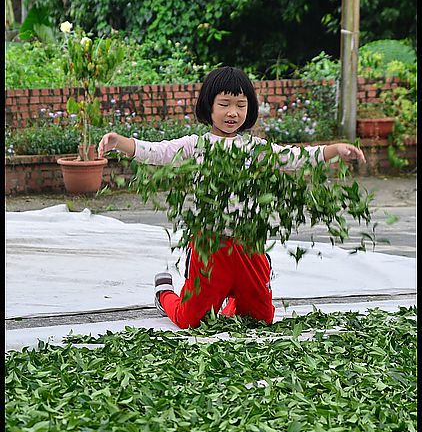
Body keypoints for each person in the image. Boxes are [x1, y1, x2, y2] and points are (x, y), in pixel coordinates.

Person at [98, 66, 365, 329]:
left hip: (248, 244)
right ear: (209, 107)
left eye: (240, 105)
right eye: (224, 104)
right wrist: (119, 142)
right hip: (210, 246)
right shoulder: (196, 146)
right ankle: (164, 293)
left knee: (261, 318)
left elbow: (294, 158)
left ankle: (245, 284)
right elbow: (157, 152)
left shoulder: (254, 148)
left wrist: (334, 150)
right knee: (191, 320)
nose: (233, 112)